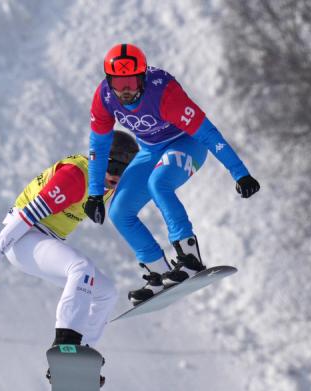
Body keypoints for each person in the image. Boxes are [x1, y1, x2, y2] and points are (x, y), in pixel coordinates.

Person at [85, 43, 261, 305]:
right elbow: (98, 147)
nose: (125, 90)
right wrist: (95, 194)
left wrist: (241, 174)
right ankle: (157, 272)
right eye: (118, 83)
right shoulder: (104, 97)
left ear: (143, 78)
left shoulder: (164, 94)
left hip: (187, 143)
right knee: (119, 211)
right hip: (150, 150)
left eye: (131, 82)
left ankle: (190, 258)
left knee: (159, 183)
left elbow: (209, 134)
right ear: (109, 81)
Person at [0, 131, 139, 380]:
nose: (117, 176)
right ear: (98, 159)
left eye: (125, 170)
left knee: (106, 292)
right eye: (113, 167)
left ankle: (83, 352)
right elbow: (27, 215)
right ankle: (65, 345)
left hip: (44, 238)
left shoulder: (109, 183)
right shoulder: (75, 176)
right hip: (23, 236)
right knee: (80, 268)